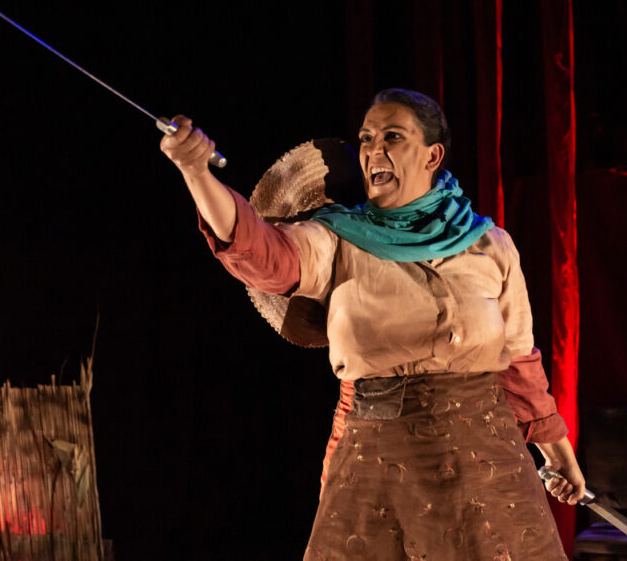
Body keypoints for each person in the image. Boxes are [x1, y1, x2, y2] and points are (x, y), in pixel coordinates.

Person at [161, 89, 586, 559]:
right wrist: (196, 173)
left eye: (392, 137)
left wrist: (558, 454)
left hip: (486, 466)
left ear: (432, 155)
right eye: (366, 138)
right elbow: (262, 252)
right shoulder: (337, 239)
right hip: (380, 467)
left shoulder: (489, 244)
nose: (373, 150)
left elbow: (520, 362)